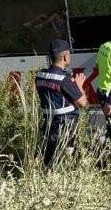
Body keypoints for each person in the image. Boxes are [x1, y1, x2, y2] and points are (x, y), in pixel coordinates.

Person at [35, 39, 88, 168]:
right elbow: (83, 103)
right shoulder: (64, 79)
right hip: (65, 127)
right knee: (68, 162)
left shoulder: (40, 75)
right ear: (65, 57)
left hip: (48, 126)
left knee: (49, 162)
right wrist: (79, 85)